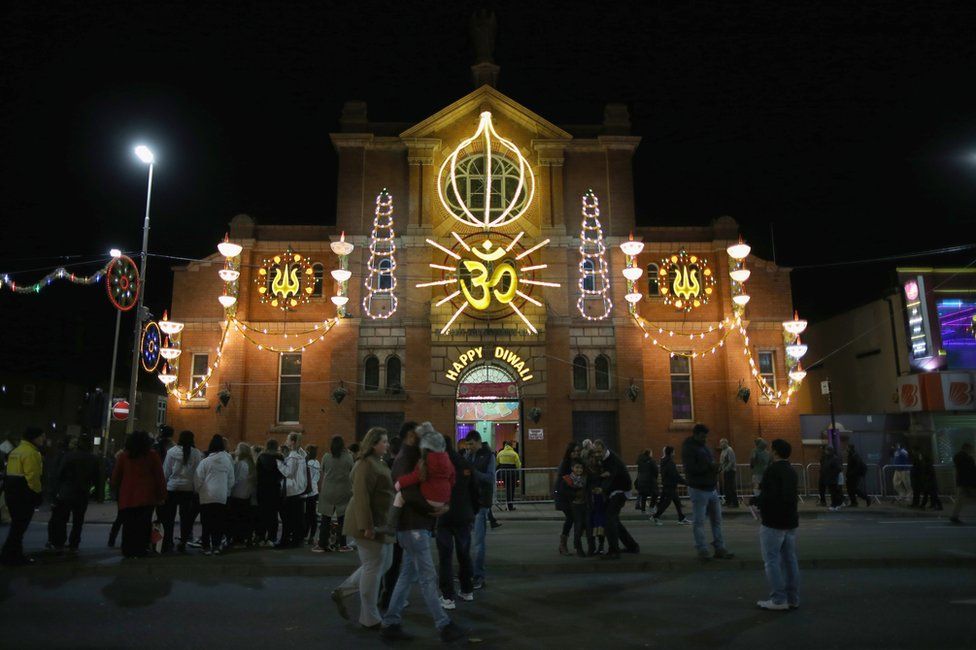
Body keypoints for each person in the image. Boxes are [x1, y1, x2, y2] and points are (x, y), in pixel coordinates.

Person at [380, 422, 466, 643]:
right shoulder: (406, 460)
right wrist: (434, 508)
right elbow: (409, 493)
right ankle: (443, 624)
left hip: (415, 527)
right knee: (428, 577)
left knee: (408, 575)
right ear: (411, 436)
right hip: (413, 527)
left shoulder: (412, 457)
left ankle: (391, 622)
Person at [331, 427, 396, 630]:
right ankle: (370, 617)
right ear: (373, 443)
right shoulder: (365, 465)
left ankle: (343, 591)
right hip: (369, 524)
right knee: (373, 567)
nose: (386, 445)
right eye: (383, 441)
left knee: (383, 563)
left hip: (380, 522)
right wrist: (366, 526)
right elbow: (361, 497)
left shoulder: (378, 462)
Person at [750, 438, 800, 611]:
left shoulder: (772, 471)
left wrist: (756, 500)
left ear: (776, 452)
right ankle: (793, 598)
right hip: (790, 521)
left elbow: (769, 496)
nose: (770, 452)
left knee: (771, 561)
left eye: (772, 449)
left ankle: (778, 599)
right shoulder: (792, 471)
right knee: (790, 560)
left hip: (773, 522)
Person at [383, 424, 455, 532]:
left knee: (399, 496)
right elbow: (452, 479)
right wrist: (446, 500)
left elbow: (414, 478)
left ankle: (390, 525)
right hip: (442, 499)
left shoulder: (423, 461)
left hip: (416, 521)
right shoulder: (448, 461)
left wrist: (399, 483)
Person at [681, 423, 735, 561]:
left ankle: (719, 547)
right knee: (700, 521)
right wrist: (710, 467)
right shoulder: (689, 448)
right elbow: (691, 468)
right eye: (703, 436)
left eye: (706, 436)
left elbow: (707, 463)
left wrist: (713, 468)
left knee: (716, 520)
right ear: (696, 434)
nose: (705, 438)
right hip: (699, 488)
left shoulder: (703, 446)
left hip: (710, 487)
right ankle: (703, 549)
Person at [436, 433, 477, 609]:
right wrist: (472, 511)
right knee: (464, 553)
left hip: (444, 515)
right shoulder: (464, 463)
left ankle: (448, 597)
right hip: (463, 515)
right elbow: (474, 490)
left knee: (445, 557)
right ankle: (467, 590)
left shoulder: (438, 466)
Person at [380, 422, 419, 610]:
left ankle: (384, 596)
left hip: (388, 518)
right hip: (397, 520)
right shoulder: (400, 466)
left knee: (388, 562)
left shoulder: (384, 466)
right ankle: (390, 600)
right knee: (396, 563)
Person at [111, 431, 166, 558]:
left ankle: (127, 549)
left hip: (127, 496)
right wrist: (162, 495)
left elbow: (115, 477)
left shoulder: (124, 456)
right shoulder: (152, 456)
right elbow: (159, 477)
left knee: (128, 525)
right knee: (143, 524)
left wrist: (116, 490)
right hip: (147, 496)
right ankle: (140, 549)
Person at [47, 434, 101, 554]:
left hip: (67, 491)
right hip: (82, 492)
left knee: (62, 519)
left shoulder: (69, 456)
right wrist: (98, 495)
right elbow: (97, 478)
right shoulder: (93, 459)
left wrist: (56, 491)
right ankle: (74, 543)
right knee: (78, 520)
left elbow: (60, 474)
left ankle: (60, 542)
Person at [1, 427, 46, 566]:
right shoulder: (32, 453)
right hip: (25, 495)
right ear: (34, 437)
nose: (43, 440)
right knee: (19, 528)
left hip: (12, 492)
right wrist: (37, 495)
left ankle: (13, 554)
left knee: (16, 526)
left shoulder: (16, 451)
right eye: (41, 437)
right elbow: (33, 477)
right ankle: (10, 555)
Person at [593, 439, 638, 559]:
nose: (597, 454)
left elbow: (610, 478)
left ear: (604, 449)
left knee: (609, 518)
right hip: (614, 491)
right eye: (595, 452)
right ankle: (632, 546)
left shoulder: (611, 460)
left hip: (620, 491)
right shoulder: (602, 460)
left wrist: (602, 488)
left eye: (599, 451)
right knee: (614, 521)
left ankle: (614, 551)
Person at [464, 429, 496, 591]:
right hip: (469, 503)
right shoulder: (468, 456)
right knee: (467, 540)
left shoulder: (488, 456)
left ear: (478, 441)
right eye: (467, 444)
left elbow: (490, 478)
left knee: (478, 542)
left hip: (482, 503)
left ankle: (479, 576)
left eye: (471, 444)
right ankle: (469, 572)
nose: (468, 447)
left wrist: (473, 473)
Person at [161, 430, 202, 553]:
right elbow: (197, 473)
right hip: (188, 489)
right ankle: (183, 542)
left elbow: (166, 471)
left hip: (172, 488)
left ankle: (168, 541)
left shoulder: (171, 452)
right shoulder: (196, 453)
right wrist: (196, 488)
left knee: (169, 518)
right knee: (186, 518)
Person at [194, 434, 235, 555]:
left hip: (206, 496)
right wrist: (226, 491)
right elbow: (231, 480)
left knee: (206, 523)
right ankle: (216, 546)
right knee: (218, 522)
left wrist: (200, 490)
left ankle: (206, 546)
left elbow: (198, 479)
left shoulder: (205, 462)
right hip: (221, 496)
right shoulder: (227, 461)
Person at [316, 435, 354, 553]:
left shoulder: (326, 457)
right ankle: (342, 544)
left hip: (328, 490)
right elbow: (352, 472)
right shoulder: (348, 457)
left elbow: (322, 472)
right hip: (343, 490)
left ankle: (322, 544)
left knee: (325, 518)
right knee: (342, 518)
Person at [276, 432, 308, 548]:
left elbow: (288, 473)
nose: (286, 441)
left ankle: (285, 541)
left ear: (293, 442)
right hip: (297, 490)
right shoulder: (299, 455)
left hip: (292, 491)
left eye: (288, 439)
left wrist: (279, 463)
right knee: (297, 518)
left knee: (288, 518)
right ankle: (296, 539)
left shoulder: (293, 456)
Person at [554, 442, 581, 555]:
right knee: (571, 518)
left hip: (572, 495)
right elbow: (562, 483)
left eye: (577, 451)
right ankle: (563, 544)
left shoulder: (578, 463)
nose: (575, 453)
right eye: (573, 451)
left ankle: (575, 544)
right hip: (564, 496)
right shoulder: (565, 464)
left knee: (575, 519)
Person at [652, 446, 690, 526]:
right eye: (673, 451)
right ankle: (656, 516)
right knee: (667, 502)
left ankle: (681, 518)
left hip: (667, 484)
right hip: (670, 485)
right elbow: (675, 474)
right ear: (671, 452)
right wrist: (685, 482)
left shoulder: (664, 461)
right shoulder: (670, 462)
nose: (674, 453)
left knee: (677, 502)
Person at [255, 439, 284, 546]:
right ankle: (272, 538)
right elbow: (282, 473)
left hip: (262, 488)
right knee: (273, 515)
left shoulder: (261, 457)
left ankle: (261, 537)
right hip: (274, 489)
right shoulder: (280, 457)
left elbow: (257, 473)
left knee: (262, 513)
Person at [559, 460, 589, 556]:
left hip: (579, 505)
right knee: (571, 520)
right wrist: (575, 494)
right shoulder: (567, 479)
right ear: (572, 468)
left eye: (580, 468)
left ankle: (577, 546)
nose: (579, 470)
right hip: (568, 504)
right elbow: (564, 492)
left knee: (579, 524)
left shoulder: (584, 479)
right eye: (577, 467)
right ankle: (564, 544)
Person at [229, 442, 257, 547]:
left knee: (236, 519)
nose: (235, 450)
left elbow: (236, 479)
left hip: (237, 494)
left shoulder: (241, 464)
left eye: (237, 449)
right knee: (245, 519)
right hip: (246, 495)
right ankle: (247, 538)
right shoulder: (251, 464)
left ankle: (236, 539)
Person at [950, 442, 976, 524]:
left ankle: (954, 516)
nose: (972, 451)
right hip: (969, 482)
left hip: (961, 481)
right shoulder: (968, 458)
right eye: (971, 449)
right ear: (967, 448)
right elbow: (972, 470)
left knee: (959, 500)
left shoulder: (957, 457)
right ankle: (954, 516)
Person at [496, 440, 521, 510]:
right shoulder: (514, 453)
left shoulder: (500, 453)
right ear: (511, 445)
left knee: (507, 489)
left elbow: (497, 463)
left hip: (503, 473)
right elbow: (518, 465)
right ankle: (510, 505)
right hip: (512, 474)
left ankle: (508, 505)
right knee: (511, 489)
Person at [304, 445, 321, 544]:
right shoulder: (317, 462)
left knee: (307, 515)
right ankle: (312, 535)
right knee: (312, 514)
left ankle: (306, 534)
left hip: (307, 491)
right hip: (314, 490)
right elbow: (317, 478)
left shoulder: (308, 463)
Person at [635, 449, 659, 513]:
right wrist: (655, 478)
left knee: (644, 495)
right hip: (650, 480)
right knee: (655, 493)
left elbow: (639, 471)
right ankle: (651, 507)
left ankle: (643, 510)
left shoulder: (640, 461)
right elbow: (656, 470)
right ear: (649, 454)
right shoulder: (651, 461)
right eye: (651, 453)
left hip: (641, 480)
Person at [719, 438, 739, 507]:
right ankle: (728, 501)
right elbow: (722, 461)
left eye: (721, 443)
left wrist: (726, 469)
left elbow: (731, 461)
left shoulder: (729, 450)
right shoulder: (723, 450)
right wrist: (721, 468)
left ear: (725, 443)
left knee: (731, 487)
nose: (720, 444)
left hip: (730, 471)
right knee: (726, 487)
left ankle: (735, 503)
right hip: (725, 471)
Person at [823, 446, 844, 511]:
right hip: (830, 478)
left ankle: (835, 504)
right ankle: (836, 504)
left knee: (834, 492)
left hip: (833, 478)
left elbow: (838, 469)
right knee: (833, 492)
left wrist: (832, 475)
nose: (825, 451)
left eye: (826, 450)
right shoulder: (828, 458)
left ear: (829, 451)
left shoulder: (834, 459)